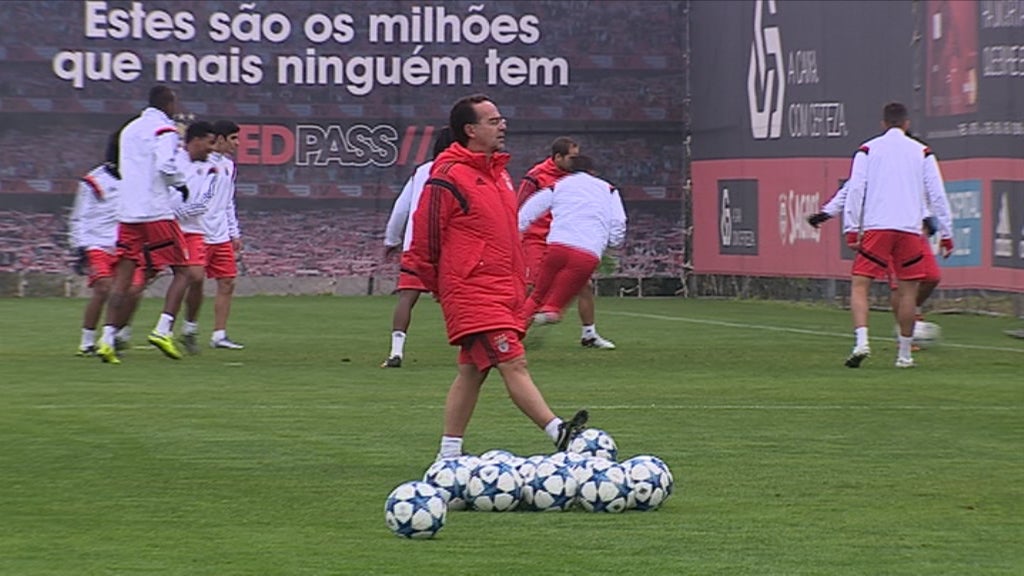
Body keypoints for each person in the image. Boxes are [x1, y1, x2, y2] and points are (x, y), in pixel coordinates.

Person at [401, 93, 589, 458]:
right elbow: (426, 238)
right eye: (493, 121)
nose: (503, 126)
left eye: (501, 119)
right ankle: (558, 431)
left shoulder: (499, 174)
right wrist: (444, 286)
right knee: (512, 360)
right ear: (470, 130)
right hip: (472, 289)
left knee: (473, 370)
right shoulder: (446, 176)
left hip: (503, 289)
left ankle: (448, 454)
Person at [839, 102, 954, 369]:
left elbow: (855, 190)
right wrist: (946, 233)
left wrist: (851, 227)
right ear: (906, 124)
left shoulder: (867, 150)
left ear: (883, 124)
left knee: (860, 285)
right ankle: (904, 355)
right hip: (909, 229)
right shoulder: (922, 152)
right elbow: (937, 194)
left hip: (878, 227)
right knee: (908, 292)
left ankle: (861, 342)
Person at [95, 85, 191, 364]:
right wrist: (180, 184)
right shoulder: (165, 130)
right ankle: (163, 329)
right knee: (183, 272)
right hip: (156, 211)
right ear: (168, 103)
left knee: (123, 277)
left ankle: (107, 339)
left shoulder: (129, 129)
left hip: (128, 212)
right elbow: (165, 165)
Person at [517, 137, 616, 350]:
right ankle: (513, 332)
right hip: (538, 238)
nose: (575, 161)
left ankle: (589, 334)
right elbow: (522, 205)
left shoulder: (575, 178)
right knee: (531, 286)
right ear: (558, 157)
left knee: (585, 285)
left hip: (565, 238)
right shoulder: (536, 176)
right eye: (572, 157)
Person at [380, 126, 455, 368]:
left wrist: (391, 239)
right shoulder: (462, 171)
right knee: (459, 297)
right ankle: (477, 348)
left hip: (417, 244)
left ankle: (396, 352)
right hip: (450, 246)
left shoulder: (422, 171)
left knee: (407, 298)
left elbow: (401, 208)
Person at [68, 131, 146, 356]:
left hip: (126, 244)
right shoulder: (94, 180)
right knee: (104, 289)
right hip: (97, 244)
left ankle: (114, 336)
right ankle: (87, 342)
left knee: (134, 291)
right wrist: (80, 247)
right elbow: (79, 215)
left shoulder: (138, 178)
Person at [177, 120, 245, 352]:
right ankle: (189, 328)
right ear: (221, 139)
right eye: (233, 138)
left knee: (227, 282)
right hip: (198, 231)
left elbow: (228, 201)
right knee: (195, 281)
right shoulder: (201, 164)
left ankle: (219, 335)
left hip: (221, 234)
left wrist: (233, 231)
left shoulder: (229, 166)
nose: (237, 143)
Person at [169, 121, 219, 354]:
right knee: (140, 279)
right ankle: (119, 332)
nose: (212, 149)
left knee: (196, 276)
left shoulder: (212, 169)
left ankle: (189, 330)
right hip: (162, 227)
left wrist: (173, 214)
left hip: (191, 229)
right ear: (196, 140)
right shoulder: (170, 160)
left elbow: (204, 203)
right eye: (210, 143)